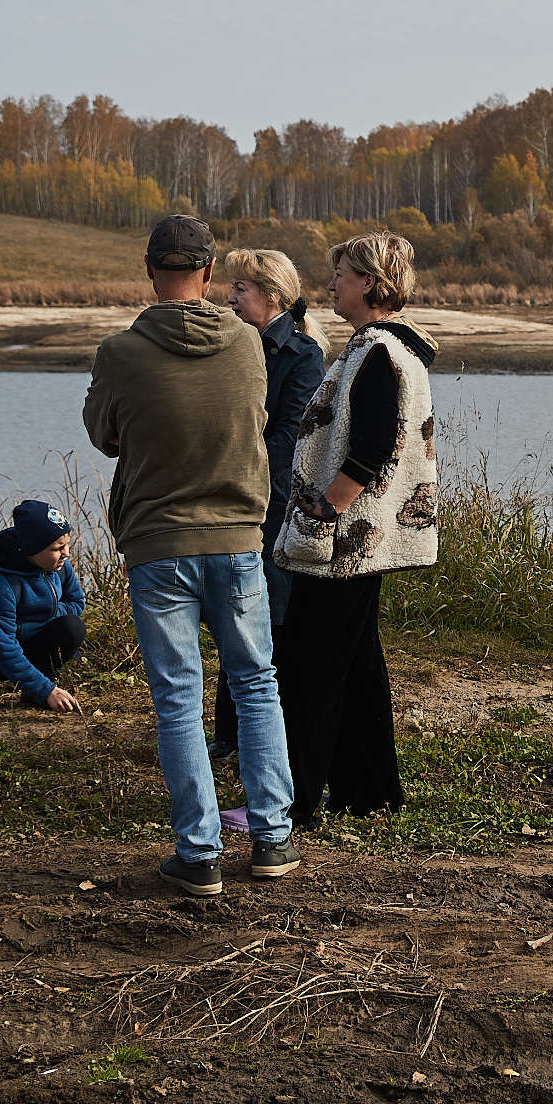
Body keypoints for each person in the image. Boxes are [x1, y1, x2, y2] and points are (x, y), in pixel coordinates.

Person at [82, 214, 300, 896]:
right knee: (255, 683)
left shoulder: (120, 352)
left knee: (178, 699)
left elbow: (102, 434)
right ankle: (273, 839)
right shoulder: (247, 346)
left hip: (159, 545)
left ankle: (199, 853)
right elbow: (257, 422)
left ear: (150, 272)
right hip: (237, 539)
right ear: (207, 275)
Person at [269, 233, 436, 826]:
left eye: (340, 274)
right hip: (365, 542)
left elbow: (371, 450)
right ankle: (370, 793)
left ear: (368, 282)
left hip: (344, 542)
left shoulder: (377, 355)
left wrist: (323, 511)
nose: (331, 284)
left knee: (309, 668)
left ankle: (295, 801)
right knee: (359, 663)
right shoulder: (390, 349)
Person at [210, 246, 329, 758]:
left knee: (272, 618)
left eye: (241, 289)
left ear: (273, 296)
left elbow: (289, 439)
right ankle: (227, 734)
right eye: (231, 287)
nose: (230, 298)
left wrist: (230, 463)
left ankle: (264, 736)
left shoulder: (303, 355)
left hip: (274, 505)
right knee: (230, 612)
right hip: (230, 499)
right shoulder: (231, 343)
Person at [0, 499, 87, 716]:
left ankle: (37, 689)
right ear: (32, 549)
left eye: (67, 544)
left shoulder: (61, 567)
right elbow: (5, 647)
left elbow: (77, 603)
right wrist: (47, 691)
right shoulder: (2, 585)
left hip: (32, 645)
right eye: (57, 548)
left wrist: (43, 616)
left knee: (73, 626)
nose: (66, 553)